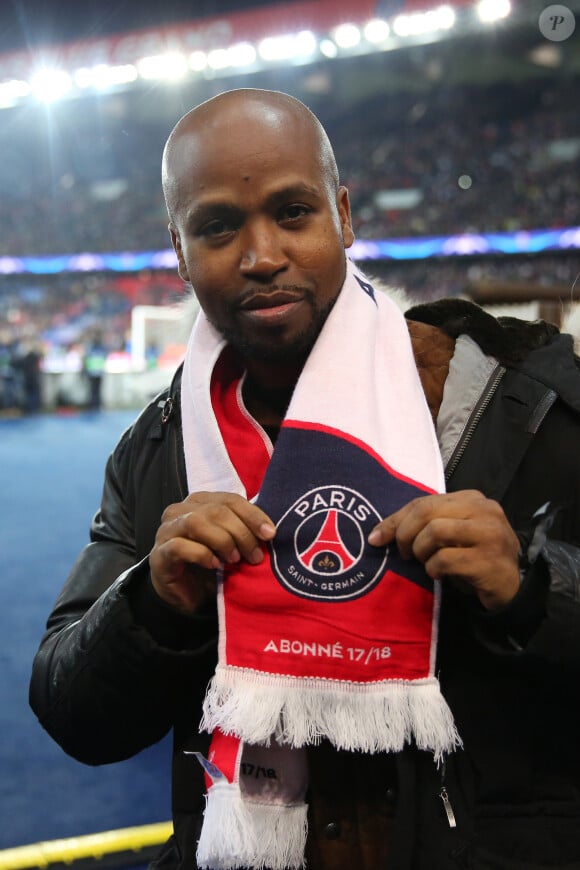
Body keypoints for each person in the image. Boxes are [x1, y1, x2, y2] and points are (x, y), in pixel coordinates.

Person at [29, 89, 580, 870]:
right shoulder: (160, 448)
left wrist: (531, 590)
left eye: (293, 213)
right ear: (179, 250)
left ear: (344, 216)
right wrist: (151, 605)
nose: (261, 256)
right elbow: (72, 713)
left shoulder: (517, 407)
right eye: (218, 226)